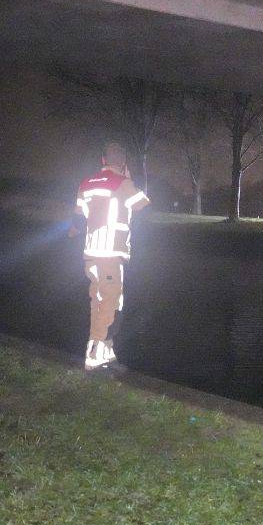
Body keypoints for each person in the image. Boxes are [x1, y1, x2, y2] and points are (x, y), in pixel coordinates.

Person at [70, 142, 150, 369]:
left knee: (101, 301)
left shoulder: (86, 184)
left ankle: (107, 351)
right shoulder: (122, 184)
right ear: (122, 163)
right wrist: (130, 178)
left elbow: (78, 218)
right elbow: (143, 203)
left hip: (91, 255)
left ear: (103, 160)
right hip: (110, 255)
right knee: (109, 303)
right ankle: (94, 354)